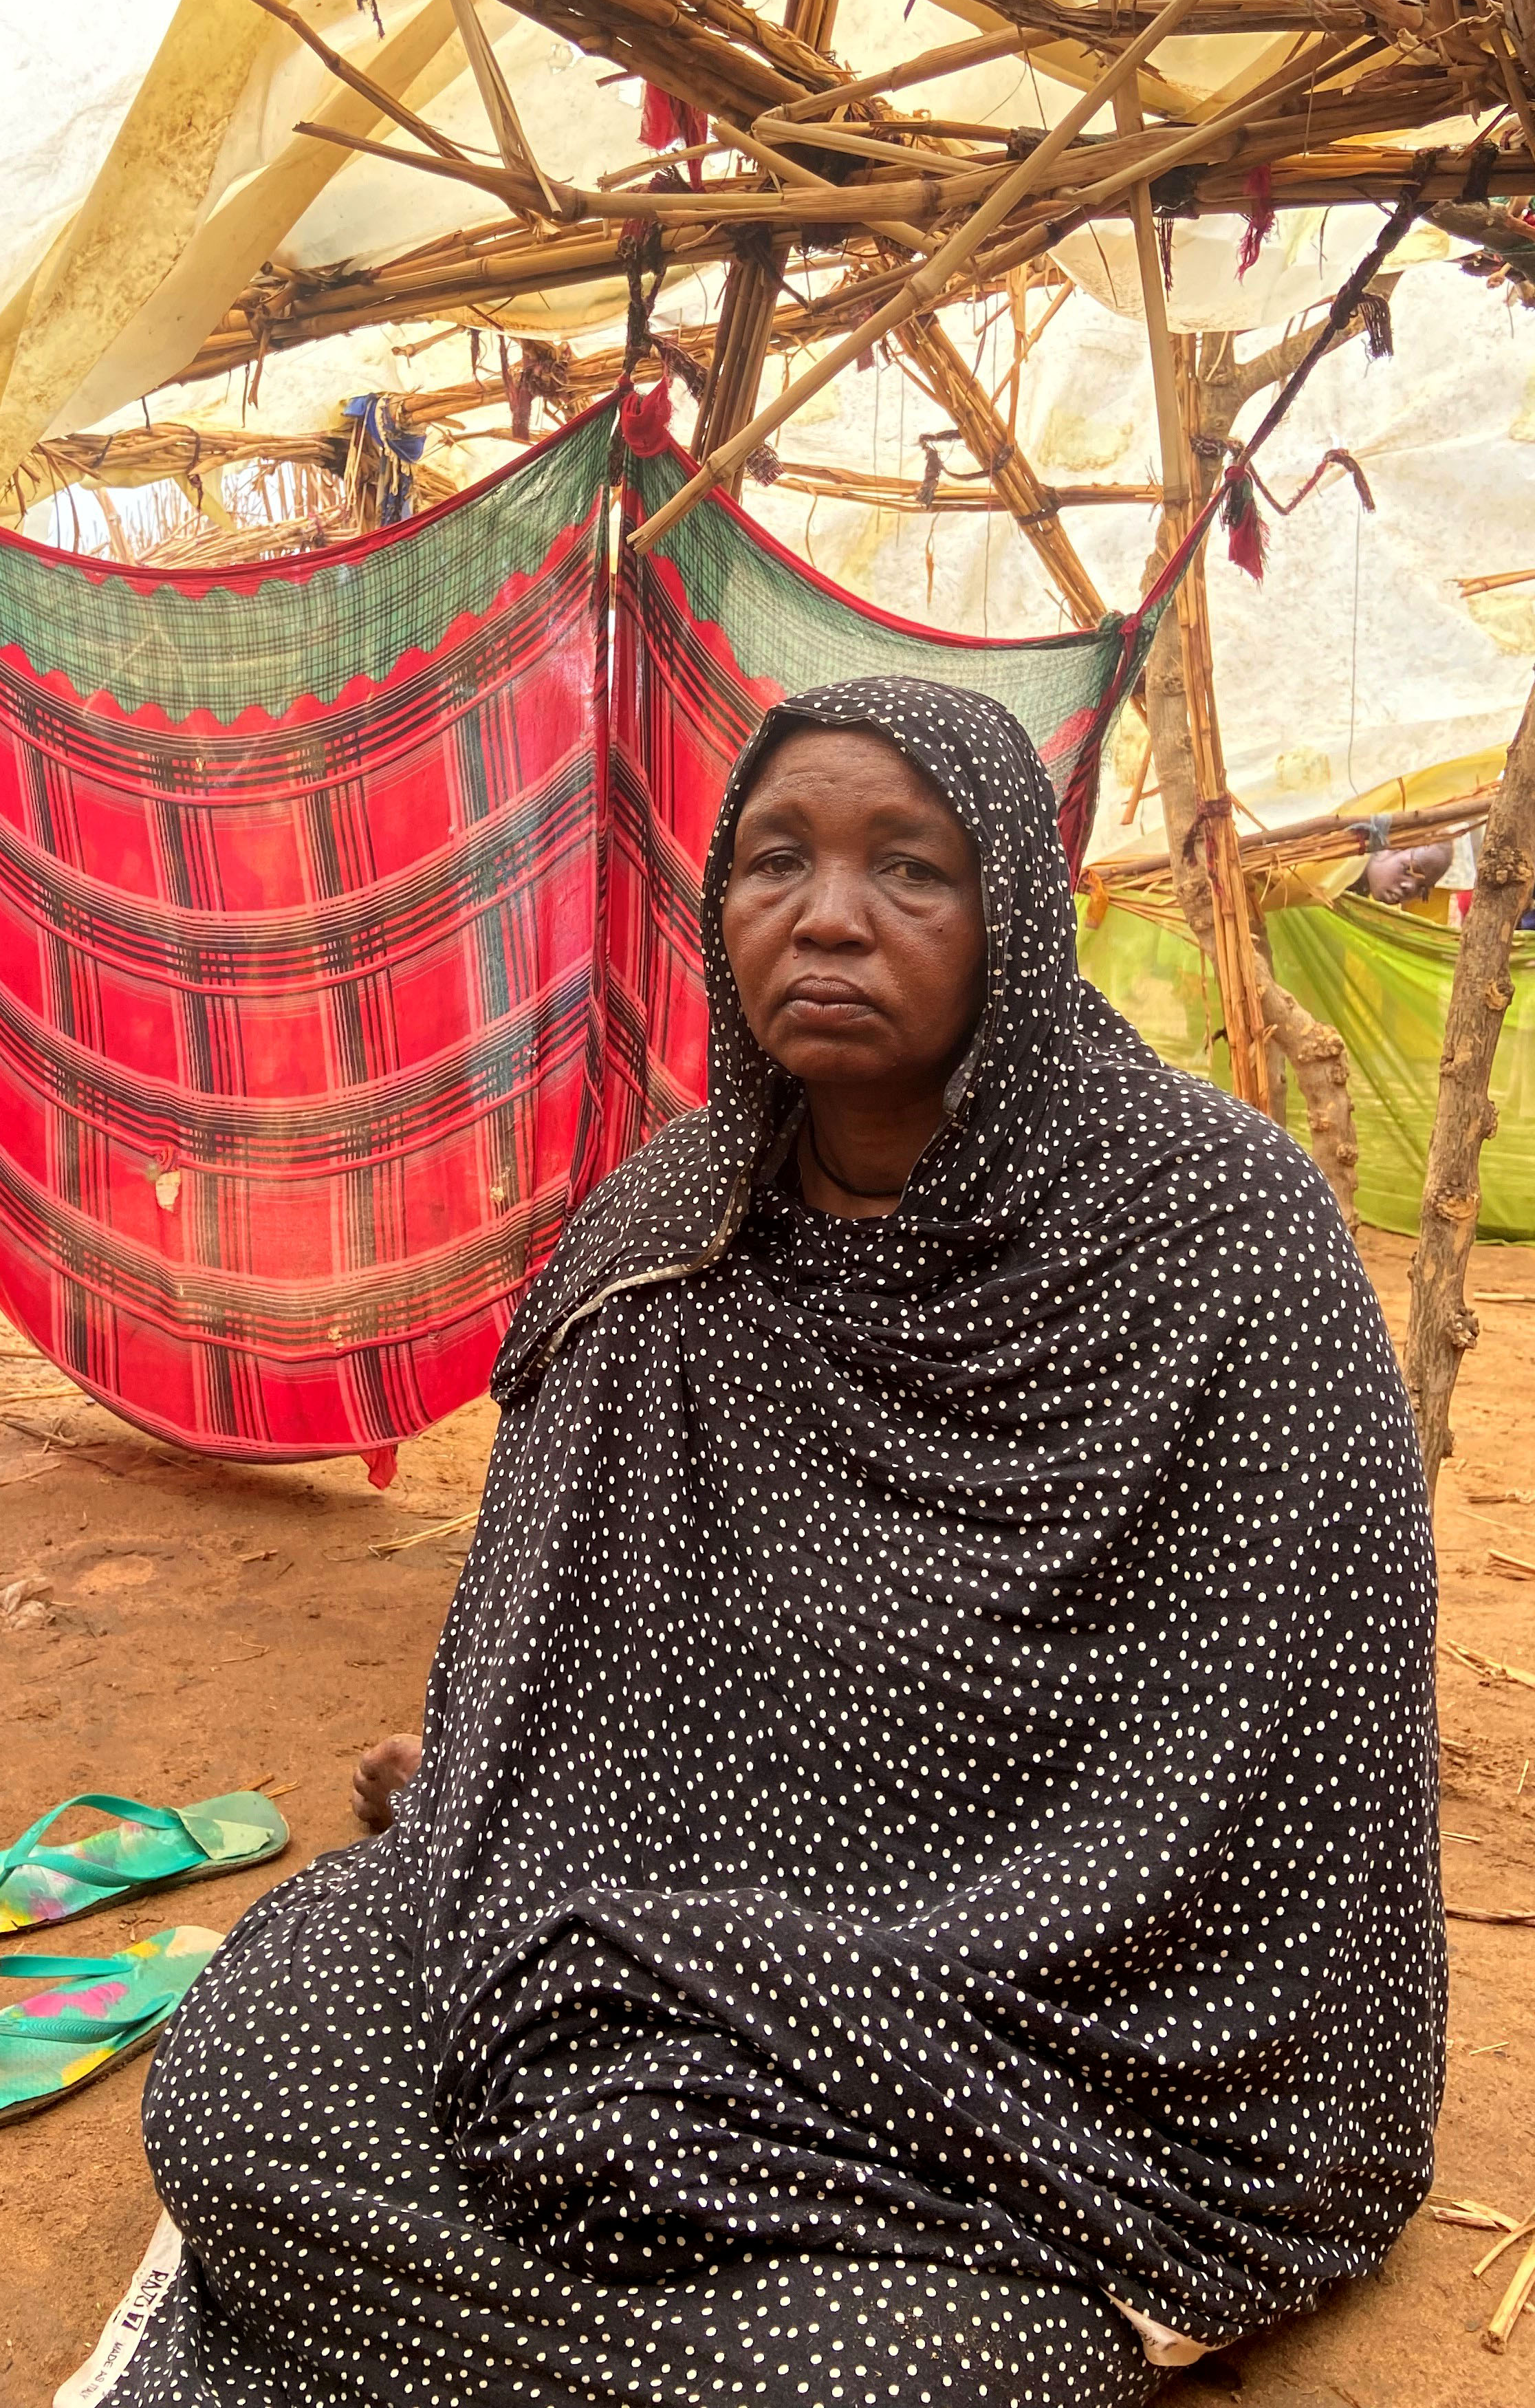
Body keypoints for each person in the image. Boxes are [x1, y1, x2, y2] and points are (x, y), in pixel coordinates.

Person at [105, 677, 1442, 2408]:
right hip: (604, 1937)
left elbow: (1279, 1774)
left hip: (1038, 2036)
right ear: (717, 902)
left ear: (1014, 917)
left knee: (896, 2373)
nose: (827, 914)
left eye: (910, 868)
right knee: (236, 2090)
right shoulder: (664, 1238)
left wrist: (824, 1988)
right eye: (773, 860)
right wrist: (508, 1828)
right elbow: (539, 1671)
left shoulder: (1220, 1236)